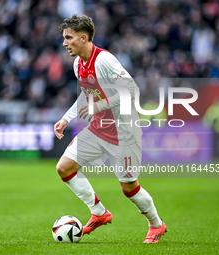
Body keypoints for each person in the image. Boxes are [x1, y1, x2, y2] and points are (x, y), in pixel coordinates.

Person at [54, 14, 167, 243]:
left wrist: (100, 105)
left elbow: (132, 91)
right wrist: (66, 118)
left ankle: (156, 225)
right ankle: (99, 212)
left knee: (129, 188)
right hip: (98, 130)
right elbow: (87, 96)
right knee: (64, 168)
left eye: (69, 38)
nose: (65, 43)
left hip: (124, 133)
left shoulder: (104, 60)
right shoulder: (78, 63)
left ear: (83, 38)